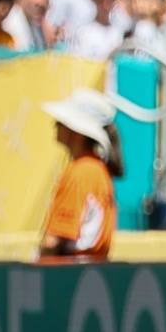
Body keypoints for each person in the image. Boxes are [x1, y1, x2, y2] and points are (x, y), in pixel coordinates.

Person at [39, 90, 118, 260]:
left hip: (70, 270)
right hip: (92, 269)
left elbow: (53, 240)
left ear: (76, 132)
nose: (55, 125)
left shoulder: (80, 172)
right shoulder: (98, 170)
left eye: (61, 122)